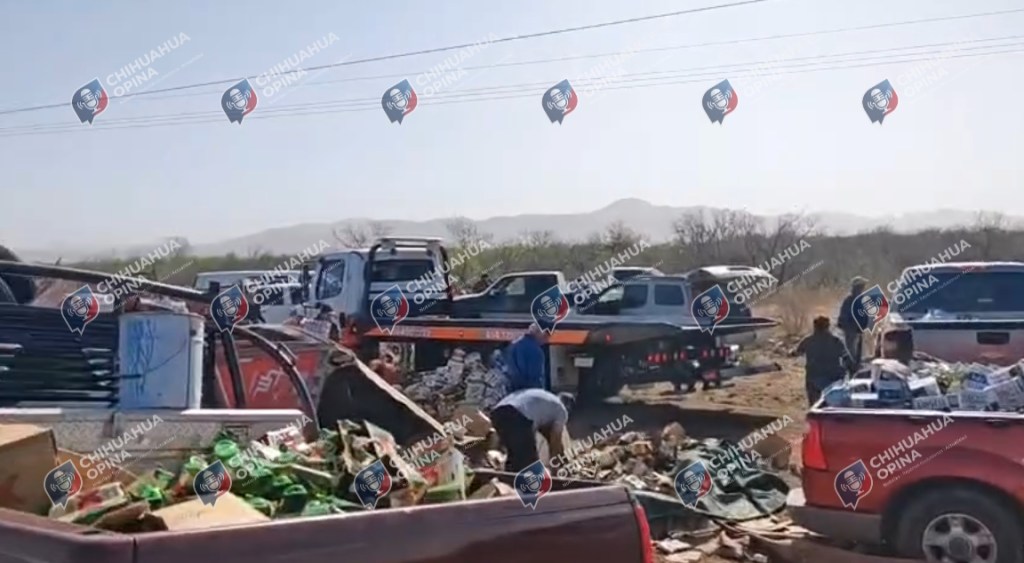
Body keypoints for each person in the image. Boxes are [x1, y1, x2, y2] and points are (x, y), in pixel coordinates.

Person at [489, 388, 573, 472]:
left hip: (497, 414)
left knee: (515, 458)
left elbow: (547, 433)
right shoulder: (562, 410)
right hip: (517, 416)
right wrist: (556, 466)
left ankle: (507, 481)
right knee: (530, 465)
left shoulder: (547, 400)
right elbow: (555, 440)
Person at [792, 315, 854, 405]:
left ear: (815, 327)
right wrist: (852, 371)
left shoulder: (808, 341)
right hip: (834, 377)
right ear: (828, 327)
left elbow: (796, 353)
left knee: (814, 405)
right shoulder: (836, 341)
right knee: (835, 404)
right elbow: (847, 359)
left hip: (814, 377)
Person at [504, 323, 548, 391]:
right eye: (545, 336)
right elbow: (535, 377)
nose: (546, 339)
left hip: (511, 391)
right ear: (538, 333)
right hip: (529, 392)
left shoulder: (513, 345)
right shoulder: (536, 351)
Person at [837, 277, 868, 363]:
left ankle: (856, 364)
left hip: (857, 329)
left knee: (857, 350)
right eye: (861, 286)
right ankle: (852, 365)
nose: (863, 288)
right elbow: (844, 315)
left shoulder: (861, 299)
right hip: (850, 329)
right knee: (851, 349)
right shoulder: (850, 300)